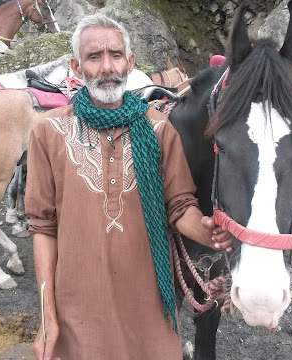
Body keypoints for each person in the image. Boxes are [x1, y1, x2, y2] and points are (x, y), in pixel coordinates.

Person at [25, 14, 234, 360]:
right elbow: (43, 228)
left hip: (148, 305)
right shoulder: (48, 133)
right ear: (77, 67)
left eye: (116, 55)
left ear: (130, 63)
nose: (107, 67)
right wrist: (47, 319)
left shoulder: (159, 129)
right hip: (78, 309)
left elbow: (179, 206)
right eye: (94, 57)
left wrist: (208, 231)